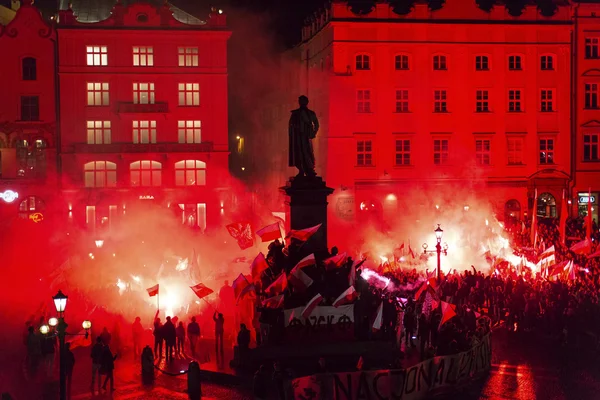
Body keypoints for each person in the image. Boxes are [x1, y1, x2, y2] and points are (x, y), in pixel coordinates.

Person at [288, 95, 319, 178]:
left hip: (306, 136)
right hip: (298, 137)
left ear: (307, 102)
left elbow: (316, 124)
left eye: (303, 101)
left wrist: (313, 133)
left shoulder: (311, 113)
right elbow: (291, 125)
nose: (302, 103)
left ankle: (310, 170)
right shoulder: (295, 114)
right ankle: (301, 170)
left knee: (307, 153)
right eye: (301, 101)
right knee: (298, 154)